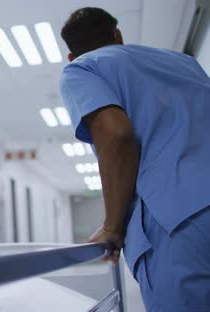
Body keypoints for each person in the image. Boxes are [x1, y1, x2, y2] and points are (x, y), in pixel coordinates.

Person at [59, 7, 210, 311]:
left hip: (177, 222)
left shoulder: (81, 69)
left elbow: (115, 135)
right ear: (117, 36)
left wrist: (112, 226)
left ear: (71, 57)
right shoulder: (186, 63)